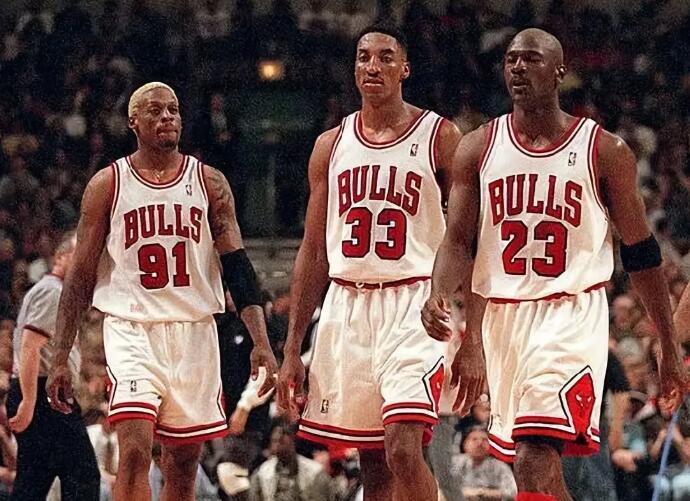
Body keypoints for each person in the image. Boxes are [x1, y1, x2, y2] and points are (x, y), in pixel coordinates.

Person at [422, 28, 690, 501]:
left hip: (571, 314)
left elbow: (642, 252)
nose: (518, 67)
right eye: (511, 59)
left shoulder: (604, 150)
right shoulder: (477, 147)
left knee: (533, 457)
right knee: (532, 473)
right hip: (505, 319)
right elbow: (459, 242)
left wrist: (668, 345)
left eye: (531, 59)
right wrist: (440, 294)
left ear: (560, 72)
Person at [45, 81, 278, 501]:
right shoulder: (108, 184)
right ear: (133, 122)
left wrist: (260, 341)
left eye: (173, 109)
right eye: (155, 110)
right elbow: (79, 276)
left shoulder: (209, 182)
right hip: (132, 328)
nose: (167, 117)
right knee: (134, 449)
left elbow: (238, 268)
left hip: (195, 329)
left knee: (183, 461)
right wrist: (61, 354)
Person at [277, 24, 463, 501]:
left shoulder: (439, 136)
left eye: (385, 57)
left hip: (415, 303)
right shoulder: (330, 144)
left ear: (405, 68)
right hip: (348, 304)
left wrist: (452, 300)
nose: (373, 66)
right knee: (374, 464)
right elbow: (313, 251)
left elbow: (465, 234)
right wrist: (293, 347)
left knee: (403, 447)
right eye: (364, 57)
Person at [7, 230, 100, 499]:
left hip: (37, 392)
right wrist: (28, 401)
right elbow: (30, 346)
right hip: (44, 395)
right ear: (60, 257)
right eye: (79, 254)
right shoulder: (54, 292)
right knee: (83, 476)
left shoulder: (50, 290)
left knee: (33, 481)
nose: (85, 262)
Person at [248, 419, 333, 501]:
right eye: (275, 440)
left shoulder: (315, 472)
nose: (278, 443)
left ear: (293, 439)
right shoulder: (262, 473)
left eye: (281, 440)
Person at [450, 425, 517, 501]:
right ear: (465, 444)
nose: (479, 443)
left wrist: (483, 493)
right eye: (474, 439)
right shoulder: (454, 464)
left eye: (484, 440)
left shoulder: (500, 467)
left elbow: (512, 492)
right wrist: (466, 493)